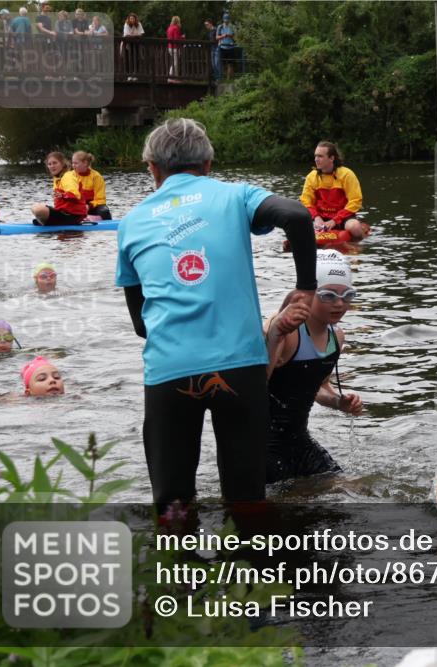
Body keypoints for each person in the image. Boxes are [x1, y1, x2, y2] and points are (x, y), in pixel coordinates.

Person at [115, 118, 318, 508]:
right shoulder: (236, 196)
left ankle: (181, 566)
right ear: (208, 164)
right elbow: (295, 215)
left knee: (173, 505)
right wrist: (306, 288)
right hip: (239, 368)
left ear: (152, 169)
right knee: (246, 499)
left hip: (170, 370)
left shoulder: (132, 222)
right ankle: (251, 564)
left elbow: (141, 324)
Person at [264, 250, 362, 483]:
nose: (339, 304)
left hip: (299, 441)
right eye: (328, 295)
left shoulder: (336, 337)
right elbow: (253, 384)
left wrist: (338, 402)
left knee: (350, 489)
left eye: (347, 295)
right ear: (307, 294)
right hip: (261, 446)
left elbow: (319, 388)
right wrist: (276, 335)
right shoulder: (281, 330)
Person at [300, 141, 367, 241]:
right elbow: (306, 202)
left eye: (320, 156)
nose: (316, 159)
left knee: (355, 227)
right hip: (320, 218)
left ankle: (358, 246)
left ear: (331, 158)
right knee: (296, 224)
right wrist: (317, 218)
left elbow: (355, 201)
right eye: (315, 156)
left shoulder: (347, 175)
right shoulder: (311, 177)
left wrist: (335, 221)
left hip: (342, 217)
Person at [31, 152, 87, 226]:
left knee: (39, 210)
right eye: (49, 164)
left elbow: (75, 195)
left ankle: (46, 223)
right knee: (34, 207)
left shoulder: (68, 176)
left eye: (55, 163)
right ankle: (46, 222)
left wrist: (62, 195)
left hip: (73, 216)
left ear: (62, 164)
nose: (52, 166)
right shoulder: (57, 178)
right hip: (64, 214)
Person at [71, 151, 111, 219]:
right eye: (72, 163)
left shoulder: (96, 176)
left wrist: (89, 206)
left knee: (105, 211)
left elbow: (100, 199)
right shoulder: (70, 176)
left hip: (92, 206)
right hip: (77, 205)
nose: (73, 165)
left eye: (76, 163)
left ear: (85, 163)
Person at [121, 12, 143, 80]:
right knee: (128, 59)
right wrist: (136, 35)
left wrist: (134, 35)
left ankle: (135, 74)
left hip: (136, 44)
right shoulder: (126, 24)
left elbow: (141, 34)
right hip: (127, 44)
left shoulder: (138, 24)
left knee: (136, 58)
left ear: (135, 19)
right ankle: (129, 75)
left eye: (133, 18)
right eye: (130, 18)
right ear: (129, 19)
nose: (132, 20)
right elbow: (127, 35)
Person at [215, 12, 236, 80]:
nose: (226, 21)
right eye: (225, 20)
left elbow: (236, 37)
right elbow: (217, 37)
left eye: (227, 20)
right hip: (222, 47)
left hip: (231, 47)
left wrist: (231, 36)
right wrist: (223, 36)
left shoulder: (232, 27)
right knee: (223, 63)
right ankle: (224, 77)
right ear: (223, 19)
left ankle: (228, 79)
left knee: (230, 64)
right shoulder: (220, 27)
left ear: (229, 20)